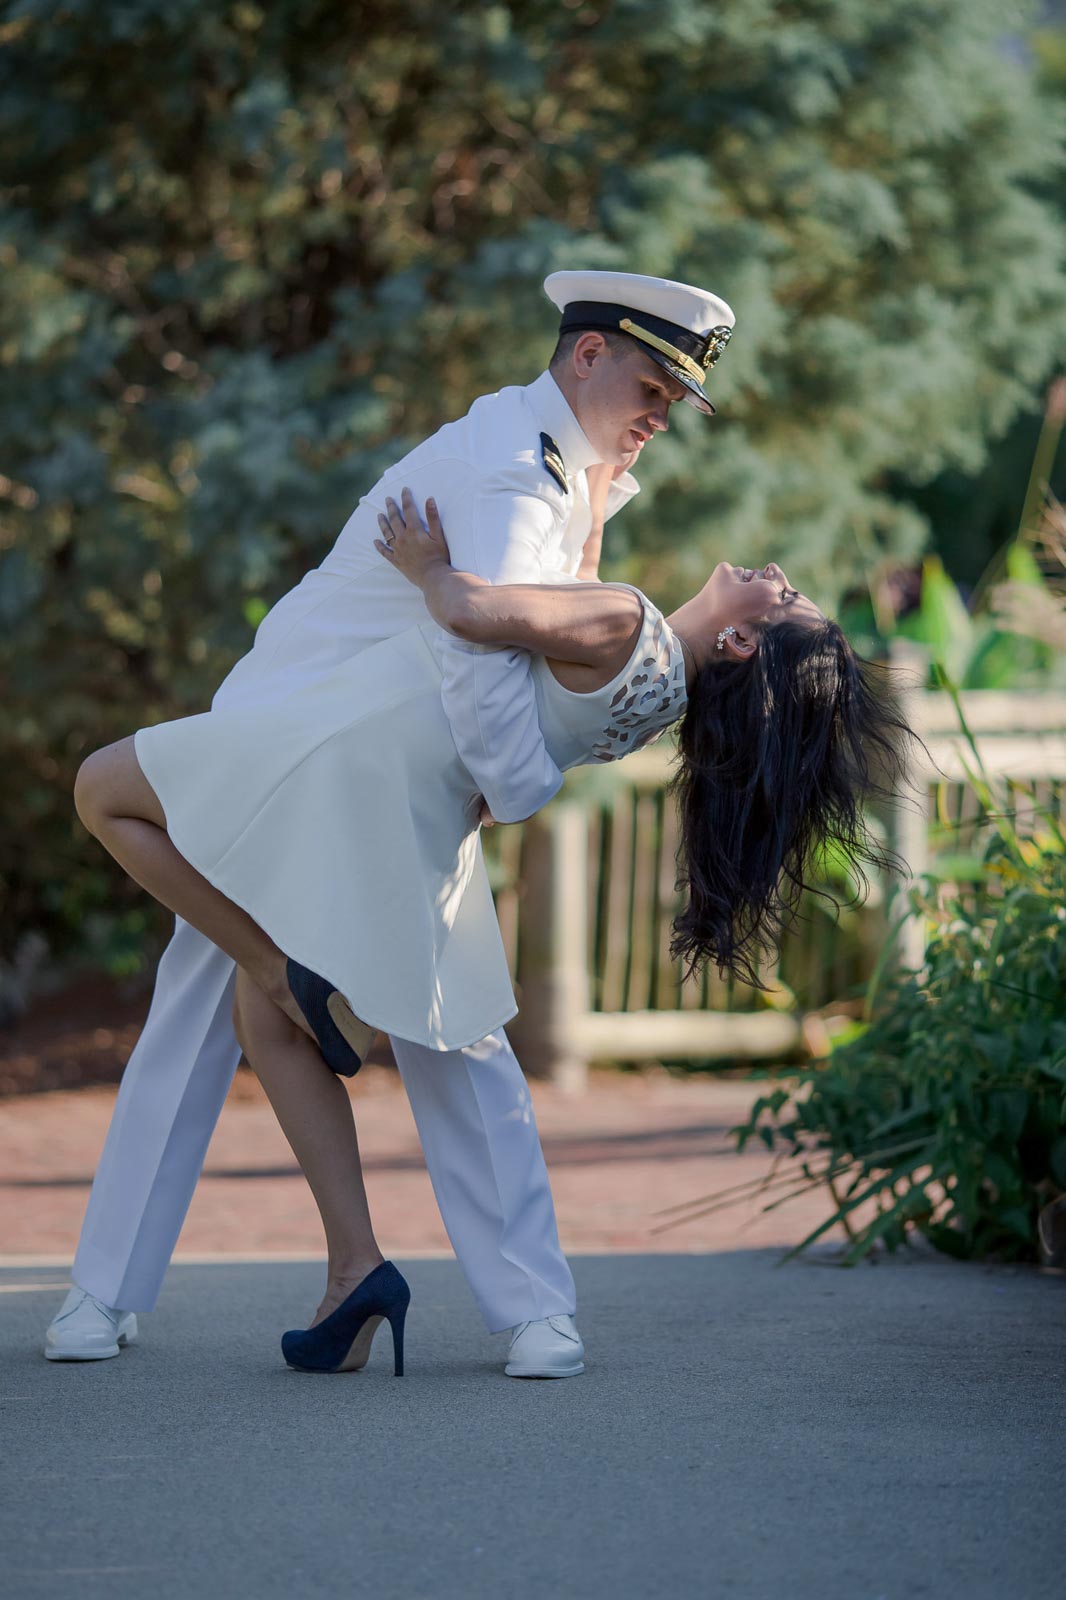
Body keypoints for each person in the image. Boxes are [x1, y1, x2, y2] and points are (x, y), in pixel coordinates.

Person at [44, 269, 737, 1378]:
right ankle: (526, 1313)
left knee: (362, 1013)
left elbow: (527, 631)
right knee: (413, 1018)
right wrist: (502, 795)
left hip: (351, 750)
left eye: (677, 401)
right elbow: (483, 675)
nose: (662, 415)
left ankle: (105, 1299)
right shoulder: (516, 472)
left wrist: (596, 530)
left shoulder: (555, 461)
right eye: (653, 384)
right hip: (310, 742)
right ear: (589, 353)